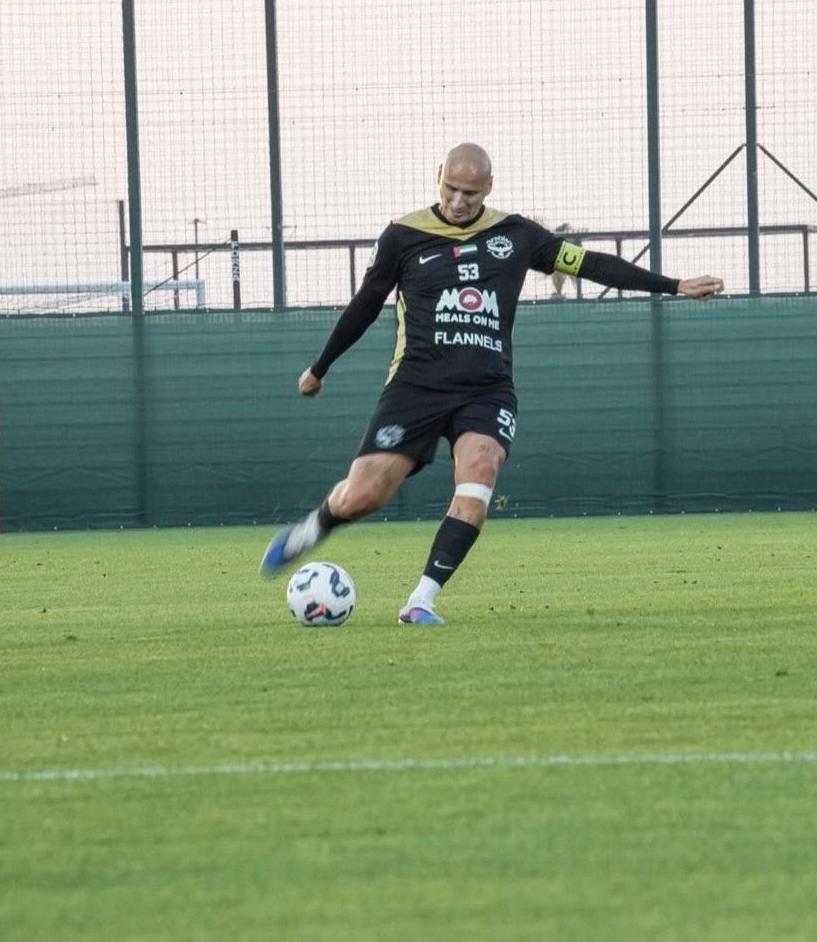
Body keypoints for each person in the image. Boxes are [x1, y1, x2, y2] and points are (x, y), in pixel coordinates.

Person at [261, 143, 723, 623]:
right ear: (438, 176)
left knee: (480, 473)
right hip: (416, 387)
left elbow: (589, 264)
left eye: (470, 193)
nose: (459, 201)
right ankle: (314, 527)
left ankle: (420, 601)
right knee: (363, 496)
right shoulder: (404, 235)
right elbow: (364, 304)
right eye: (451, 189)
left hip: (487, 390)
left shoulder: (516, 234)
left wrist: (673, 285)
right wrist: (319, 367)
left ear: (488, 188)